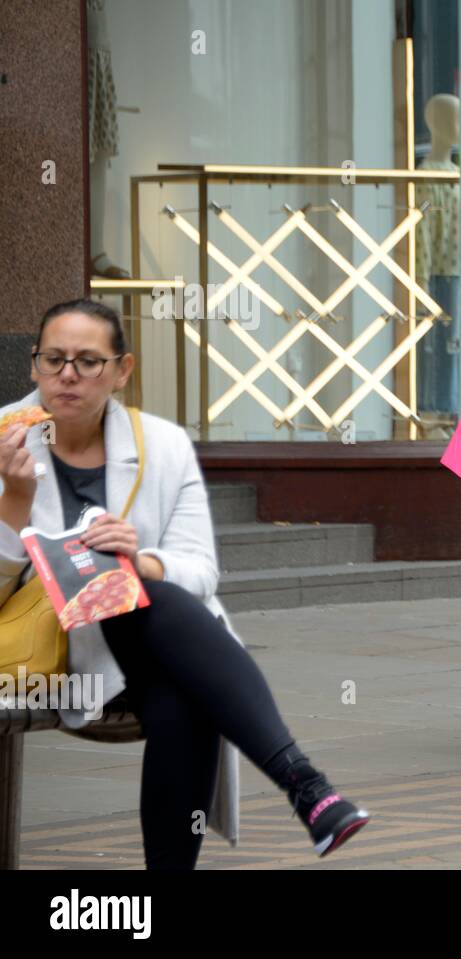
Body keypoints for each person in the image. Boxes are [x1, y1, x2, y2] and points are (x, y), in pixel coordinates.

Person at [0, 299, 371, 868]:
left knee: (165, 646)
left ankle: (306, 792)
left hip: (148, 646)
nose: (67, 375)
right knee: (173, 657)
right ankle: (305, 784)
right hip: (44, 659)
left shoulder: (163, 445)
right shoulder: (4, 438)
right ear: (33, 366)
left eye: (87, 361)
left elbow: (200, 569)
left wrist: (141, 562)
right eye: (53, 360)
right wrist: (15, 506)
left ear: (123, 370)